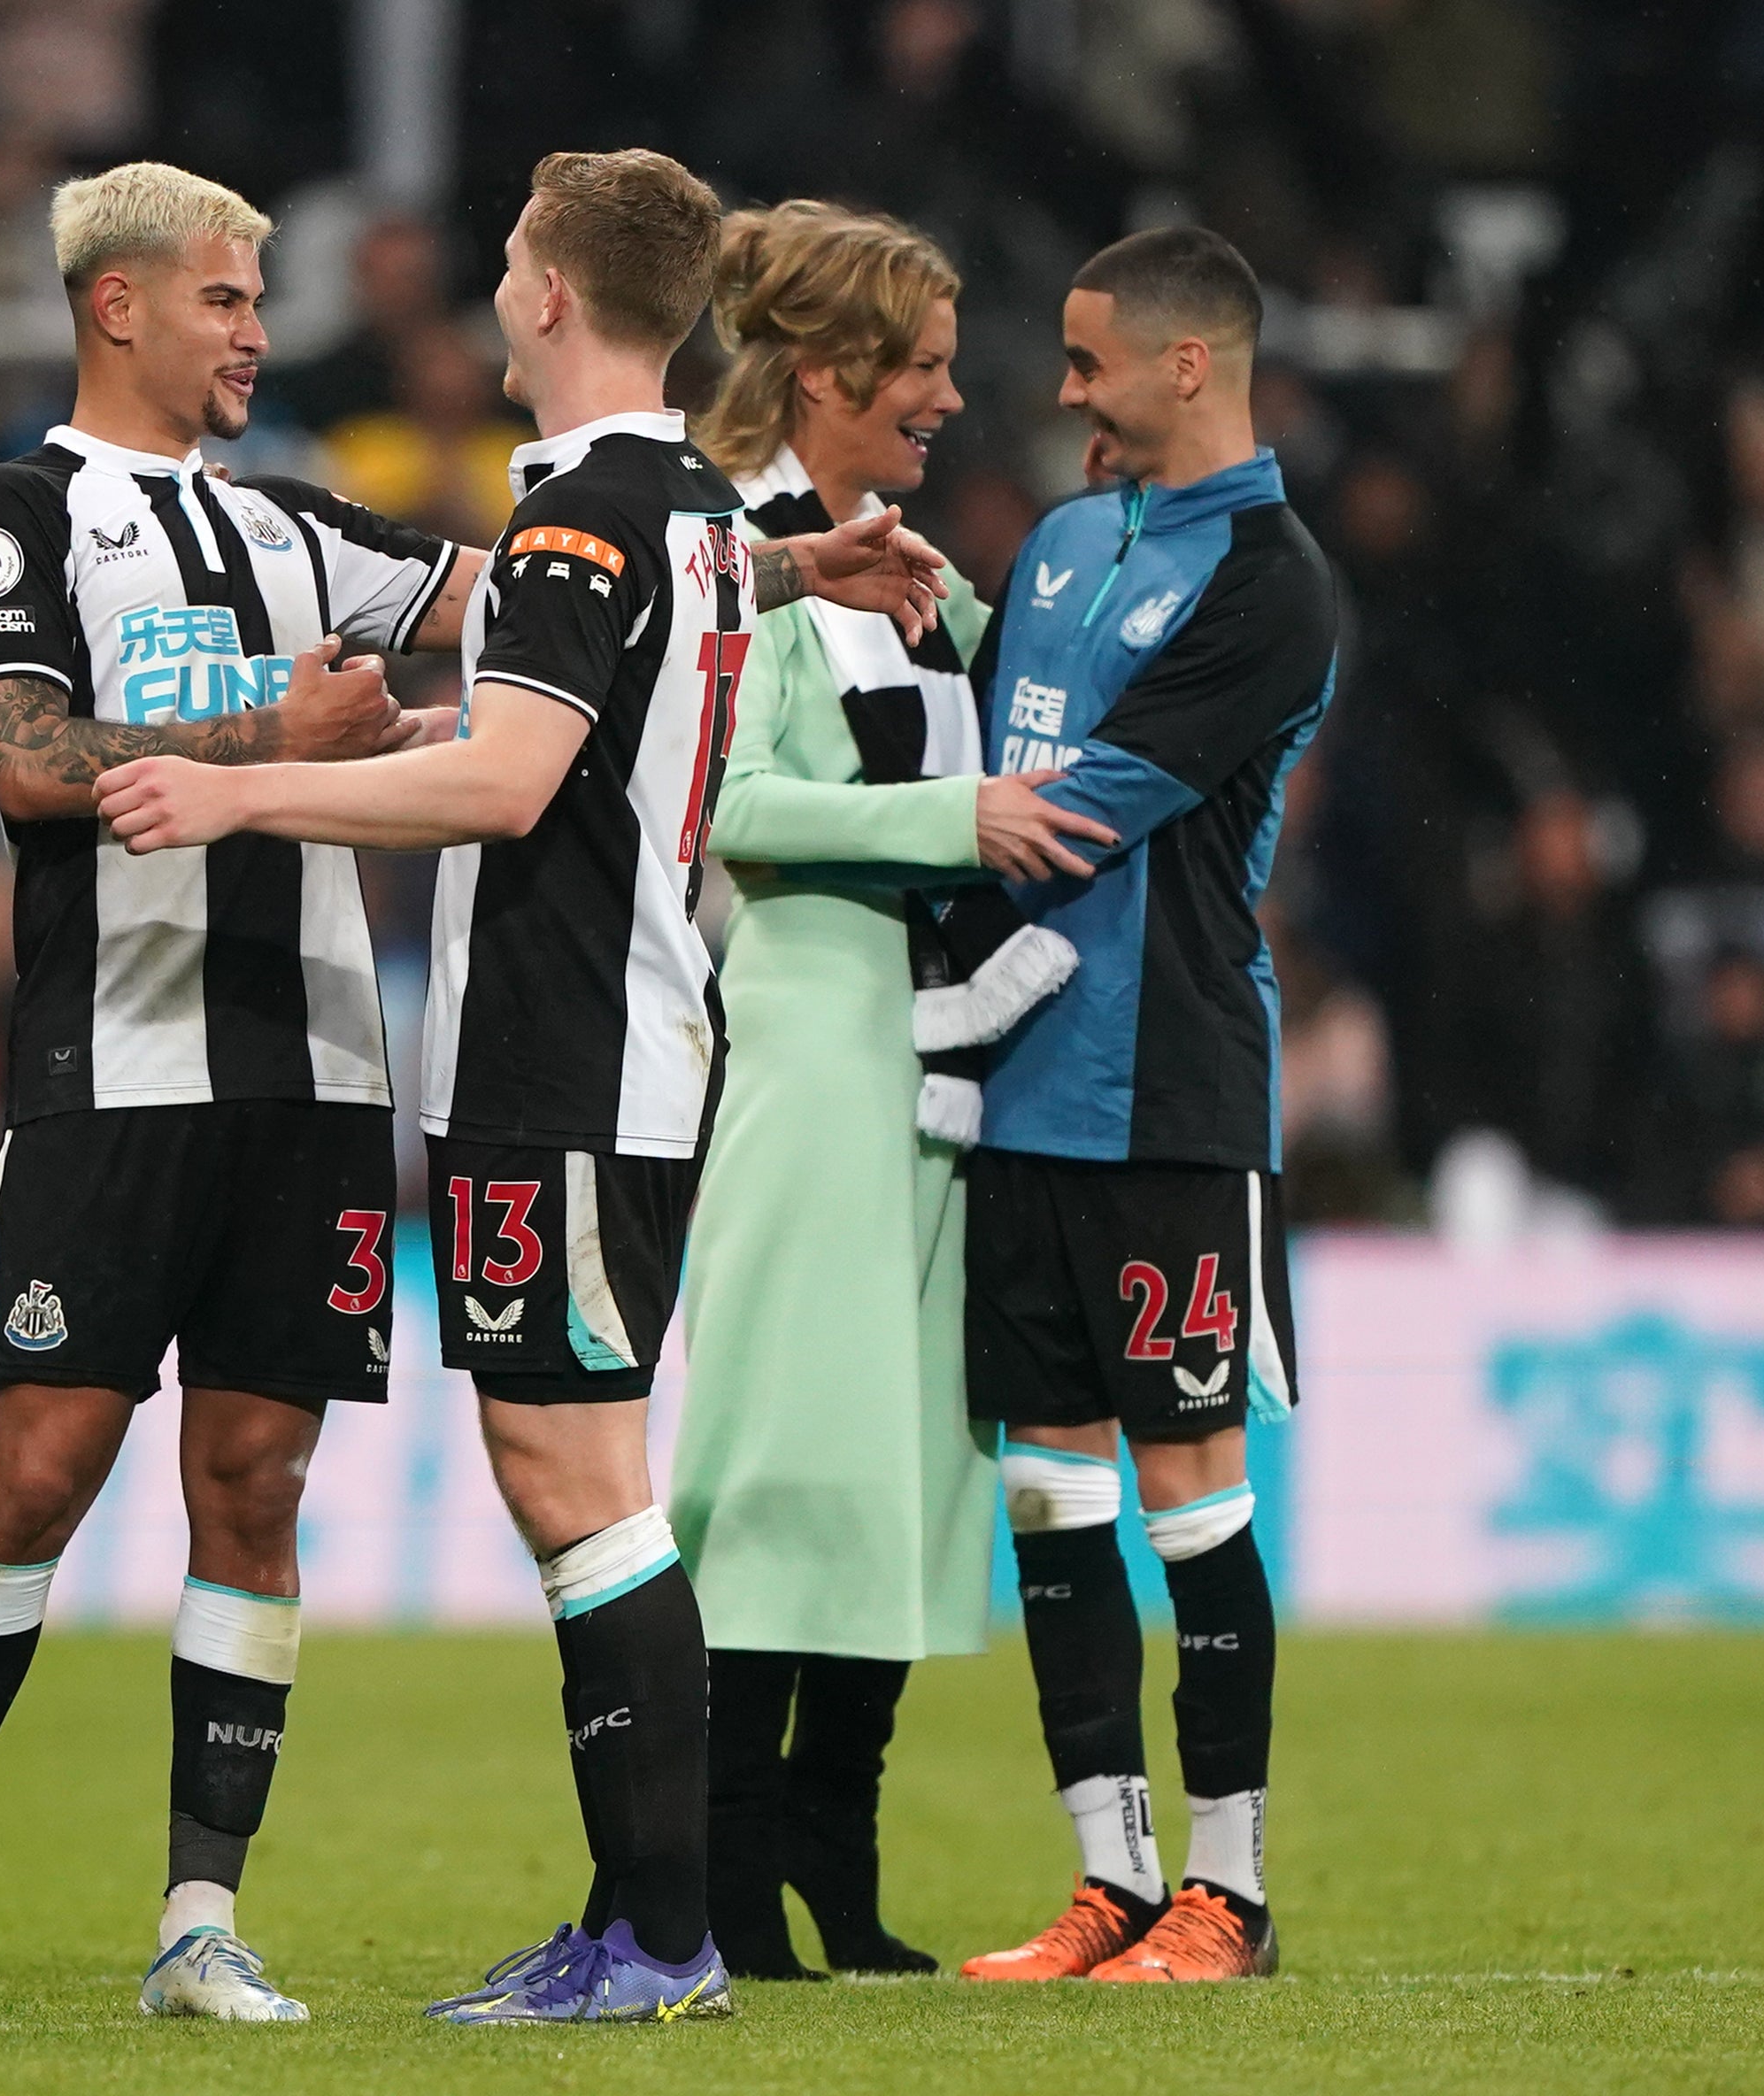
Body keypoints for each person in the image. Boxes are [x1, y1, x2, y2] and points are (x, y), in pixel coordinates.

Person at [92, 149, 1047, 2025]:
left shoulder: (582, 524)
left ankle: (662, 1934)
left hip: (565, 1057)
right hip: (633, 1050)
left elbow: (511, 782)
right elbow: (583, 733)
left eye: (511, 264)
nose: (496, 292)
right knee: (583, 1473)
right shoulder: (691, 511)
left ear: (542, 295)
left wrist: (236, 787)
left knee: (579, 1481)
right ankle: (634, 1920)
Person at [0, 163, 476, 2026]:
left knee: (255, 1476)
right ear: (120, 308)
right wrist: (271, 737)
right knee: (40, 1472)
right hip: (117, 1067)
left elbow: (551, 601)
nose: (257, 328)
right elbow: (19, 761)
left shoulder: (309, 521)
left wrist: (776, 562)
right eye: (229, 298)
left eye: (258, 299)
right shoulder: (20, 512)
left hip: (320, 1071)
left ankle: (197, 1918)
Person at [671, 202, 1104, 1982]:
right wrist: (952, 819)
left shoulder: (897, 566)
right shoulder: (733, 557)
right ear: (831, 369)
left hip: (930, 1076)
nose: (945, 396)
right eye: (919, 365)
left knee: (896, 1476)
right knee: (780, 1476)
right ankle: (714, 1873)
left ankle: (829, 1869)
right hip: (797, 1058)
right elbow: (729, 806)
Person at [955, 227, 1337, 1985]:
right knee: (1050, 1497)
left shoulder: (1271, 581)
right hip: (1022, 1096)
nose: (1064, 391)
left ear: (1190, 364)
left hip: (1167, 1088)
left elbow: (1082, 804)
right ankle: (1107, 1874)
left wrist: (929, 882)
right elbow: (983, 748)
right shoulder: (1050, 548)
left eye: (1090, 358)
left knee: (1192, 1498)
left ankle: (1230, 1891)